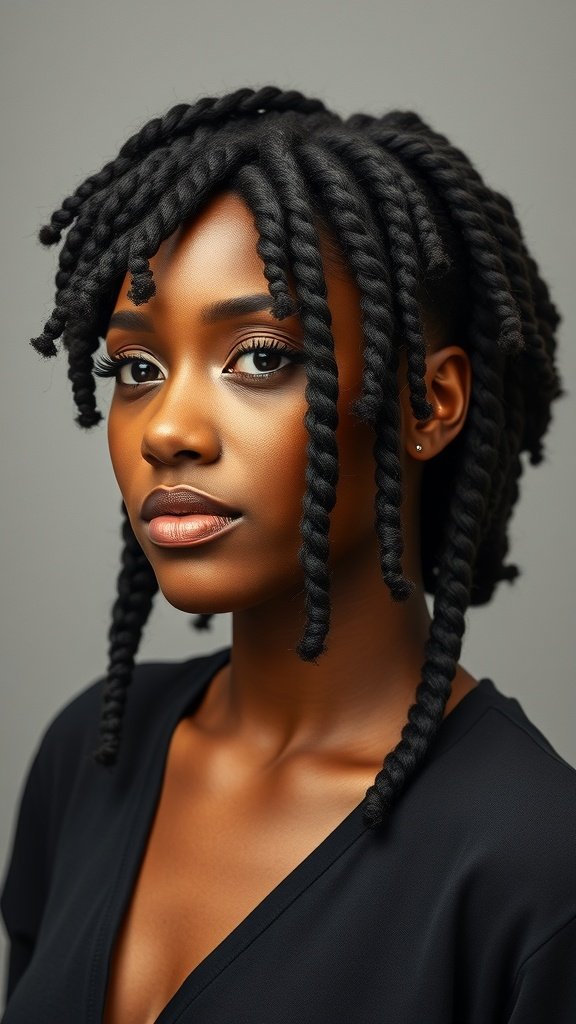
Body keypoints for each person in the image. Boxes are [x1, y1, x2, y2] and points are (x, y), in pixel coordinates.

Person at [1, 85, 575, 1024]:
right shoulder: (88, 760)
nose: (169, 430)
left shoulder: (536, 863)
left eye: (262, 356)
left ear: (430, 404)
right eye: (136, 370)